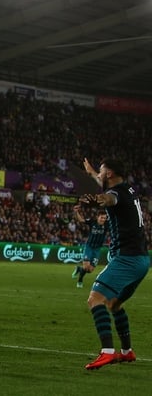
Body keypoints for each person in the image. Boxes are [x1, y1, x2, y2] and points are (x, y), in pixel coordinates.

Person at [78, 158, 148, 370]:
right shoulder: (128, 189)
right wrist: (91, 172)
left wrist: (96, 201)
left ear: (109, 174)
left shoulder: (116, 194)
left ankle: (107, 352)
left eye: (101, 172)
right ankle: (127, 352)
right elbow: (107, 190)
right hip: (142, 260)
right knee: (115, 304)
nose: (98, 175)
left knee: (95, 299)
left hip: (126, 258)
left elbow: (108, 199)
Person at [71, 206, 108, 289]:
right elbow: (81, 220)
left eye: (104, 218)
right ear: (97, 217)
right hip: (89, 247)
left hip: (97, 249)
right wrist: (76, 212)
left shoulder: (107, 224)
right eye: (101, 218)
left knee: (90, 270)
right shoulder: (92, 222)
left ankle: (78, 269)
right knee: (86, 266)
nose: (103, 220)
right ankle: (80, 280)